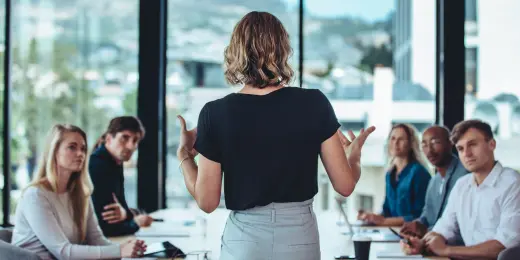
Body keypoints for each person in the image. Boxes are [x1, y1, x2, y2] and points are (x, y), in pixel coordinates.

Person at [176, 11, 375, 260]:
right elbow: (345, 186)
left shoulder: (214, 113)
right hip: (299, 237)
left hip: (244, 241)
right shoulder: (314, 103)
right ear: (283, 49)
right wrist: (353, 157)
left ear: (236, 51)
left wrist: (184, 156)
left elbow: (207, 202)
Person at [11, 124, 146, 260]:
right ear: (54, 151)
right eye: (72, 147)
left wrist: (125, 249)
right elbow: (63, 252)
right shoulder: (35, 195)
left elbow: (97, 240)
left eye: (83, 148)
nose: (80, 154)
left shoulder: (81, 193)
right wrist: (119, 251)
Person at [402, 120, 520, 259]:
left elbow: (504, 246)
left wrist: (446, 250)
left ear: (492, 144)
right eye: (460, 149)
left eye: (472, 145)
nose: (467, 154)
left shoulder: (512, 183)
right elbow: (443, 229)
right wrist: (423, 243)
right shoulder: (462, 185)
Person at [89, 116, 153, 237]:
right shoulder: (98, 165)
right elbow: (106, 227)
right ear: (108, 138)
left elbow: (121, 208)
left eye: (135, 140)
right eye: (125, 138)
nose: (131, 146)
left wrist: (127, 214)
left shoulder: (114, 162)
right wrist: (135, 222)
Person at [400, 126, 468, 238]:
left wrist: (426, 232)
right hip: (432, 242)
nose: (429, 150)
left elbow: (457, 225)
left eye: (435, 142)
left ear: (450, 143)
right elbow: (426, 214)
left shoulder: (464, 176)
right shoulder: (434, 181)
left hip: (452, 247)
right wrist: (417, 224)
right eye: (424, 145)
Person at [358, 124, 431, 227]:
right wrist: (371, 218)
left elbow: (419, 216)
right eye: (392, 138)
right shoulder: (390, 174)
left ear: (411, 144)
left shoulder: (419, 173)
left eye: (401, 139)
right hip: (391, 232)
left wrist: (383, 222)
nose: (395, 143)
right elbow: (386, 211)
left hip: (412, 235)